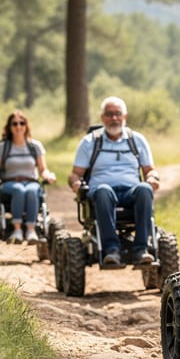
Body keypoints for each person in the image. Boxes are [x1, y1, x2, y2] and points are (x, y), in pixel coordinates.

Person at [67, 96, 161, 267]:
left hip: (130, 192)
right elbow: (75, 174)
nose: (114, 118)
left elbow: (149, 170)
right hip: (101, 193)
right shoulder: (90, 142)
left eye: (118, 114)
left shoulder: (137, 140)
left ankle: (141, 250)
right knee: (104, 190)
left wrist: (152, 178)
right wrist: (75, 183)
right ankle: (111, 250)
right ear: (102, 117)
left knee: (144, 189)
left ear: (125, 116)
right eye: (109, 114)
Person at [0, 110, 55, 245]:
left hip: (31, 182)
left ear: (26, 126)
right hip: (9, 183)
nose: (18, 127)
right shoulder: (3, 147)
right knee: (19, 189)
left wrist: (49, 175)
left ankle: (31, 230)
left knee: (31, 190)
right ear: (9, 127)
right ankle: (17, 230)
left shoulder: (35, 146)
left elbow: (43, 169)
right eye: (15, 124)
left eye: (21, 123)